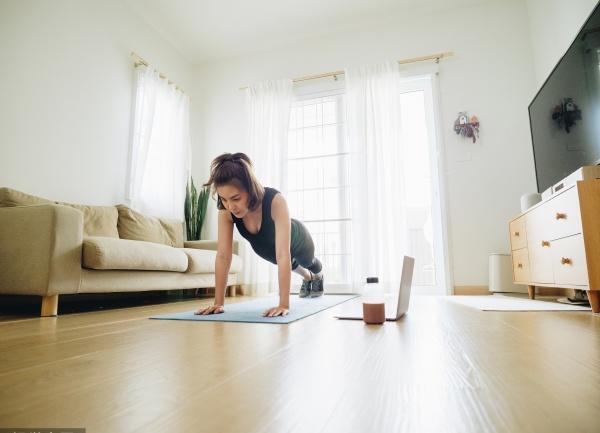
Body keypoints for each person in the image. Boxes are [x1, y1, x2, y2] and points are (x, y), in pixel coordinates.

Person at [194, 152, 324, 317]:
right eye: (224, 199)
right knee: (281, 259)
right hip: (267, 247)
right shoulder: (226, 211)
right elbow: (223, 256)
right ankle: (307, 278)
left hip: (298, 239)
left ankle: (318, 275)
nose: (230, 206)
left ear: (250, 188)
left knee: (307, 261)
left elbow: (283, 253)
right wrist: (218, 303)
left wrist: (283, 304)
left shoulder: (275, 200)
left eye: (236, 198)